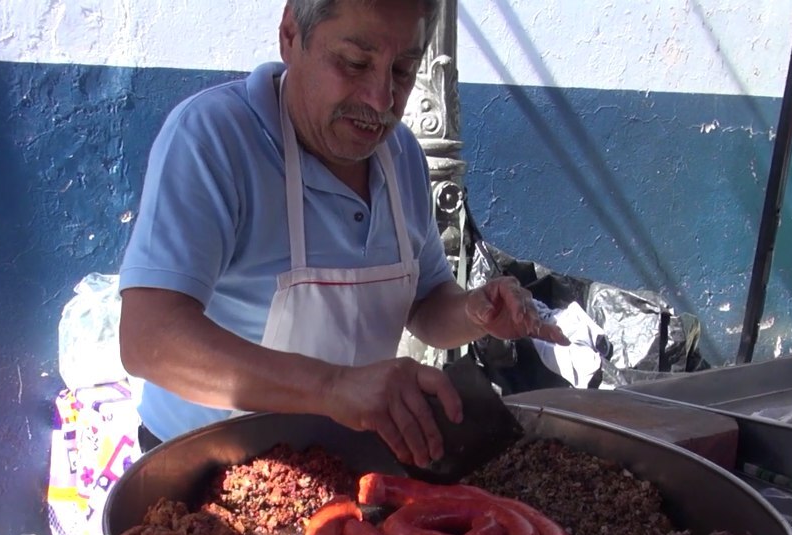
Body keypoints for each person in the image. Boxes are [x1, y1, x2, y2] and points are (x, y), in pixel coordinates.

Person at [118, 0, 566, 467]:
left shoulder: (402, 157)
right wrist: (334, 386)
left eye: (403, 71)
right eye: (354, 63)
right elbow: (150, 339)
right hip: (208, 466)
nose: (380, 99)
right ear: (291, 36)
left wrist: (474, 311)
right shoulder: (214, 138)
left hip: (343, 460)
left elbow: (427, 304)